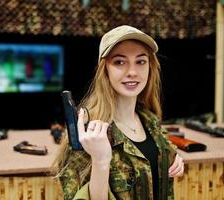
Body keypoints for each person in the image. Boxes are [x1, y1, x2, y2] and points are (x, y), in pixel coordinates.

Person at [59, 25, 184, 200]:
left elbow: (164, 148)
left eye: (140, 61)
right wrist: (100, 161)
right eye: (119, 62)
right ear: (105, 70)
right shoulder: (86, 133)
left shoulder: (149, 118)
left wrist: (174, 158)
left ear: (150, 67)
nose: (132, 72)